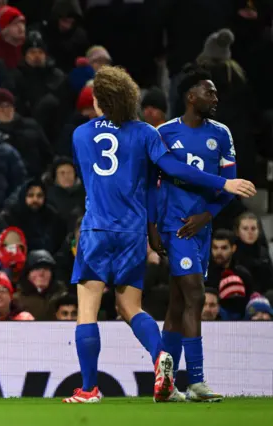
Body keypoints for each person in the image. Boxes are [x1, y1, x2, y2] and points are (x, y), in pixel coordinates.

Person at [63, 66, 256, 404]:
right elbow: (174, 168)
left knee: (87, 310)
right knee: (131, 307)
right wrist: (222, 182)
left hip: (96, 229)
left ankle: (90, 389)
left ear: (101, 101)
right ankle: (159, 357)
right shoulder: (147, 134)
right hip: (132, 232)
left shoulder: (81, 134)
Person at [156, 65, 236, 403]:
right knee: (196, 296)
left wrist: (207, 216)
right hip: (176, 226)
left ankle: (166, 385)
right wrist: (153, 227)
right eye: (209, 92)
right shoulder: (164, 133)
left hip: (200, 227)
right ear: (191, 97)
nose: (215, 98)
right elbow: (152, 183)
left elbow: (230, 187)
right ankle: (197, 382)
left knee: (177, 306)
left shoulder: (221, 134)